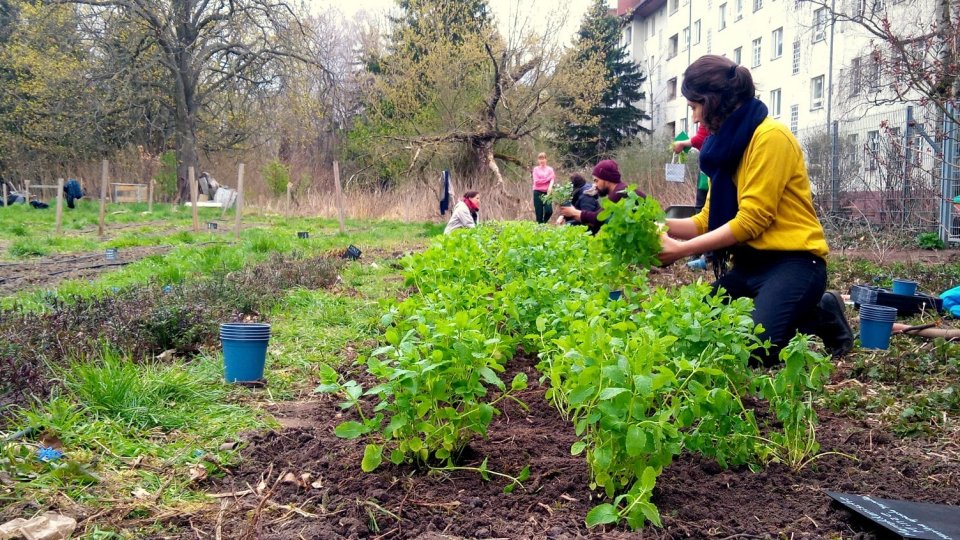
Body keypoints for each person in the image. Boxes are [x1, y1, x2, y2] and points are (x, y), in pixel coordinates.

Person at [658, 55, 852, 365]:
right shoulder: (727, 146)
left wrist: (681, 250)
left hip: (795, 263)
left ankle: (822, 314)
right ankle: (802, 310)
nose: (694, 119)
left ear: (713, 102)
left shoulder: (769, 138)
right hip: (749, 265)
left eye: (694, 107)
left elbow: (752, 221)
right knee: (700, 331)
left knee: (755, 351)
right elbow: (708, 219)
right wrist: (655, 224)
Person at [559, 159, 645, 234]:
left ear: (606, 179)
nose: (595, 185)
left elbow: (598, 218)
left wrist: (573, 212)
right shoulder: (620, 190)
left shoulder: (619, 192)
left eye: (596, 181)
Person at [531, 152, 555, 224]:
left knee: (549, 211)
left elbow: (552, 179)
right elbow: (536, 182)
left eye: (543, 158)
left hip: (547, 192)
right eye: (540, 159)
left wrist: (549, 185)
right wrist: (547, 179)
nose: (542, 160)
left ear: (546, 159)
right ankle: (540, 228)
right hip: (537, 192)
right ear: (538, 160)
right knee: (539, 214)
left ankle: (543, 223)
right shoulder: (536, 169)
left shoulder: (550, 169)